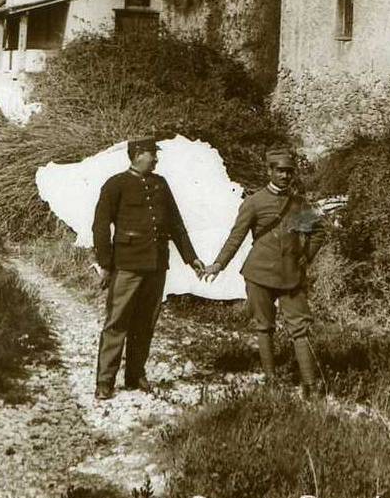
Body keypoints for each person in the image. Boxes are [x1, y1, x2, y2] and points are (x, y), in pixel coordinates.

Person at [92, 137, 204, 400]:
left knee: (145, 322)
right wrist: (106, 264)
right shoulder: (116, 184)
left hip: (156, 264)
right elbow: (100, 226)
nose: (156, 159)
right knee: (117, 322)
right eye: (153, 154)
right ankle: (105, 381)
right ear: (138, 154)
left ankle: (134, 375)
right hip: (127, 265)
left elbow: (175, 224)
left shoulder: (160, 184)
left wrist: (191, 258)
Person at [203, 144, 320, 397]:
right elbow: (236, 237)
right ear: (269, 171)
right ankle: (271, 380)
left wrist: (305, 257)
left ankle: (310, 385)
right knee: (264, 327)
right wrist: (218, 264)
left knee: (300, 328)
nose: (285, 176)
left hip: (291, 276)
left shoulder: (298, 204)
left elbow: (318, 232)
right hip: (259, 274)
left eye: (289, 171)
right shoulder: (255, 203)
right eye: (279, 171)